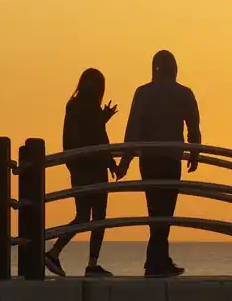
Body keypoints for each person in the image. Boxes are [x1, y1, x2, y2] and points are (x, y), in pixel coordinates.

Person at [116, 50, 202, 277]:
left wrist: (125, 160)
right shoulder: (184, 93)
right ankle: (157, 261)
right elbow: (193, 126)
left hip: (149, 158)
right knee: (165, 212)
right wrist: (194, 152)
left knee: (155, 210)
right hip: (171, 158)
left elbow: (133, 129)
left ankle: (157, 260)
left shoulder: (143, 93)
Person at [45, 68, 119, 277]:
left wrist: (102, 118)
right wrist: (111, 162)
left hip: (78, 167)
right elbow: (98, 137)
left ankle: (54, 252)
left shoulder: (74, 105)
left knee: (83, 216)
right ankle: (91, 264)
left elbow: (84, 133)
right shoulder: (90, 106)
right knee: (99, 218)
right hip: (94, 166)